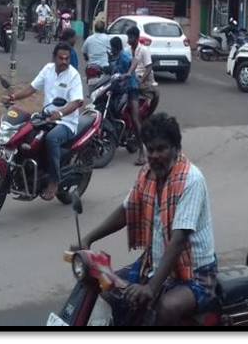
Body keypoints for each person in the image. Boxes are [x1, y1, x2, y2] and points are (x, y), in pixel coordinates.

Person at [74, 113, 217, 326]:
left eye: (161, 149)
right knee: (105, 288)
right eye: (150, 149)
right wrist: (88, 239)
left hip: (195, 274)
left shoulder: (191, 180)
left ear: (176, 149)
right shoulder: (147, 173)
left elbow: (178, 240)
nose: (155, 155)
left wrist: (151, 288)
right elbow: (127, 210)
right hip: (153, 263)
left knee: (165, 308)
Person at [7, 42, 84, 201]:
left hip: (66, 122)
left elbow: (76, 102)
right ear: (54, 58)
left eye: (67, 58)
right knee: (24, 133)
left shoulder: (73, 75)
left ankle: (54, 181)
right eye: (61, 58)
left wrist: (61, 113)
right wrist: (14, 97)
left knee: (51, 139)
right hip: (46, 117)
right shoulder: (48, 69)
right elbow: (32, 88)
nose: (64, 61)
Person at [128, 25, 158, 166]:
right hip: (132, 84)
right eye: (128, 37)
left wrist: (140, 81)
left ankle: (142, 152)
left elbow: (149, 67)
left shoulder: (143, 50)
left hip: (144, 87)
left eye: (131, 37)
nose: (129, 40)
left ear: (136, 37)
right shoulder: (128, 50)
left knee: (136, 118)